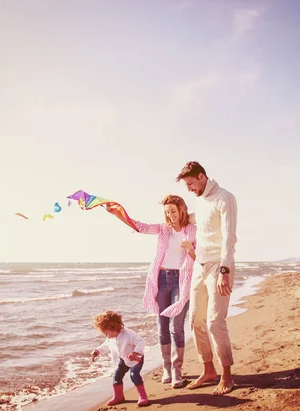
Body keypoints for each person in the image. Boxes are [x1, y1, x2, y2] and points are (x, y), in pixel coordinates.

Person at [176, 161, 238, 396]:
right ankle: (208, 370)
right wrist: (180, 216)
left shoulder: (225, 198)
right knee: (196, 320)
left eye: (191, 183)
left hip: (219, 267)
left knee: (214, 321)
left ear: (202, 177)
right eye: (187, 186)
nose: (190, 189)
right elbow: (199, 220)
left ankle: (227, 375)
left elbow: (229, 238)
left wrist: (225, 271)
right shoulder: (200, 200)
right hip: (200, 267)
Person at [131, 195, 197, 388]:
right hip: (160, 279)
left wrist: (190, 249)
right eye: (167, 212)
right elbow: (139, 226)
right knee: (162, 327)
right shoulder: (162, 229)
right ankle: (167, 368)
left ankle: (177, 370)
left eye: (173, 211)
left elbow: (200, 255)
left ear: (182, 210)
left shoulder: (192, 230)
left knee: (176, 326)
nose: (170, 215)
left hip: (181, 280)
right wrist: (117, 212)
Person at [91, 310, 149, 406]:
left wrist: (135, 352)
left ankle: (143, 396)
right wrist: (97, 351)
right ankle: (119, 397)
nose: (106, 336)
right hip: (123, 360)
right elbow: (106, 345)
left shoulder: (129, 334)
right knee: (116, 377)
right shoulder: (111, 337)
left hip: (136, 359)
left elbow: (141, 342)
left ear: (113, 327)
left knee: (134, 375)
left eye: (106, 333)